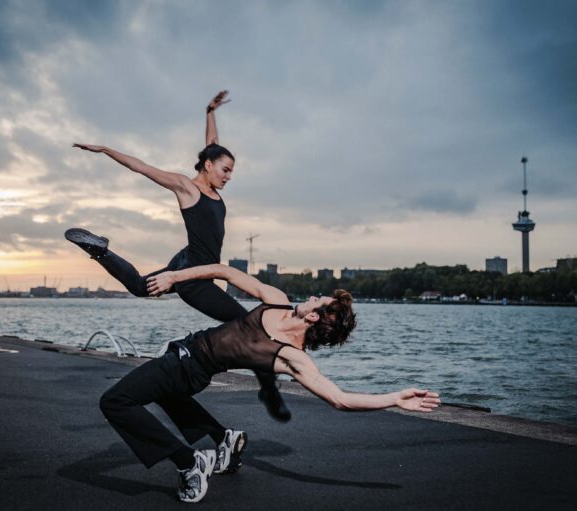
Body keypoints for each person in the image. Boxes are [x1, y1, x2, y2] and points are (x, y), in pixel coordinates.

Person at [99, 262, 441, 503]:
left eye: (318, 299)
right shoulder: (275, 299)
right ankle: (223, 438)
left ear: (313, 316)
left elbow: (340, 399)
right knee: (165, 396)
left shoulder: (293, 356)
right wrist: (175, 276)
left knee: (115, 402)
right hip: (184, 357)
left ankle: (189, 462)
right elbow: (225, 272)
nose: (312, 296)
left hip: (187, 368)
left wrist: (395, 398)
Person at [66, 91, 291, 421]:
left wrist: (209, 111)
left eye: (232, 172)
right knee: (247, 325)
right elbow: (142, 168)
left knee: (142, 288)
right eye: (226, 170)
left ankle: (101, 251)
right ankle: (269, 391)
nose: (229, 176)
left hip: (186, 261)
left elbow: (212, 142)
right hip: (193, 278)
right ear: (208, 166)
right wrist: (105, 149)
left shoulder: (211, 183)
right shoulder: (188, 188)